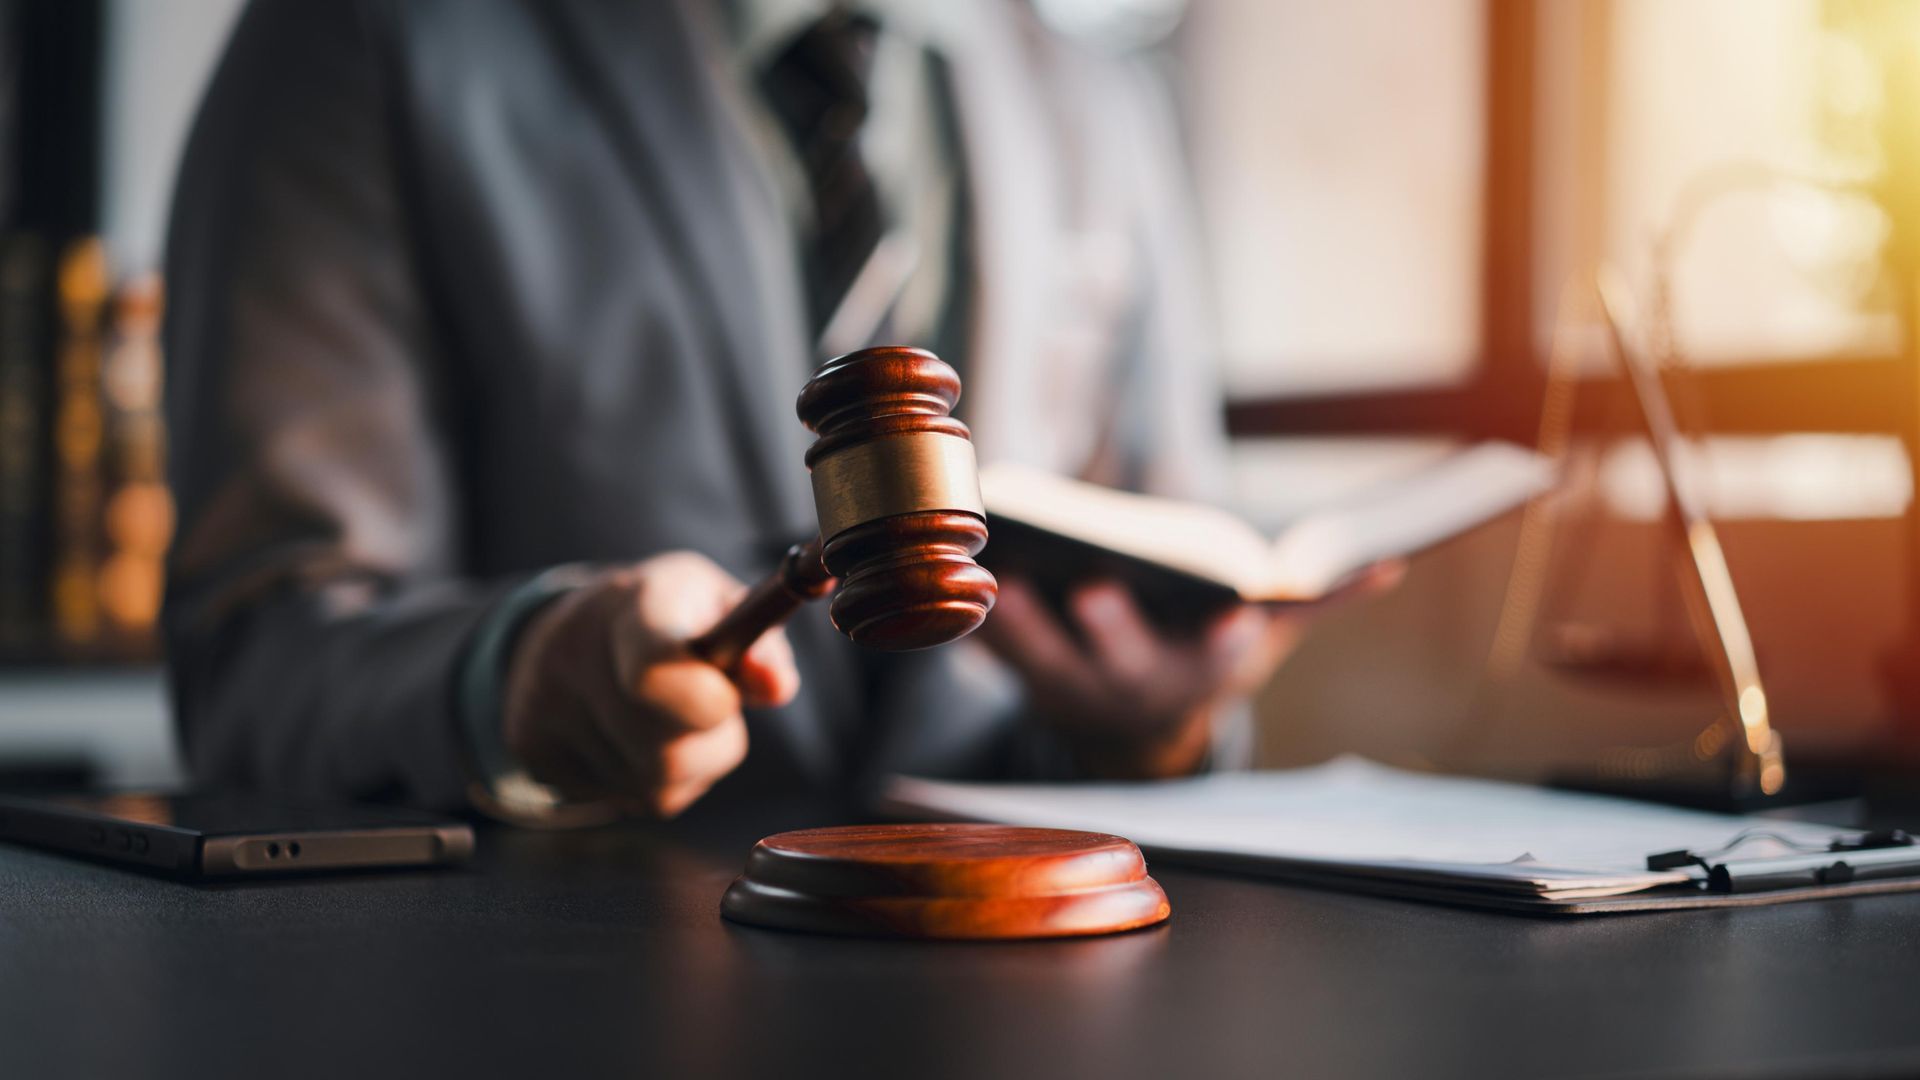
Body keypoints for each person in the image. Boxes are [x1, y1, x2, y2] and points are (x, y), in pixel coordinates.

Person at [163, 0, 1375, 824]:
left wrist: (1153, 737)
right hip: (562, 986)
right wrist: (511, 676)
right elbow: (254, 659)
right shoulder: (362, 34)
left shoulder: (1102, 105)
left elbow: (1170, 587)